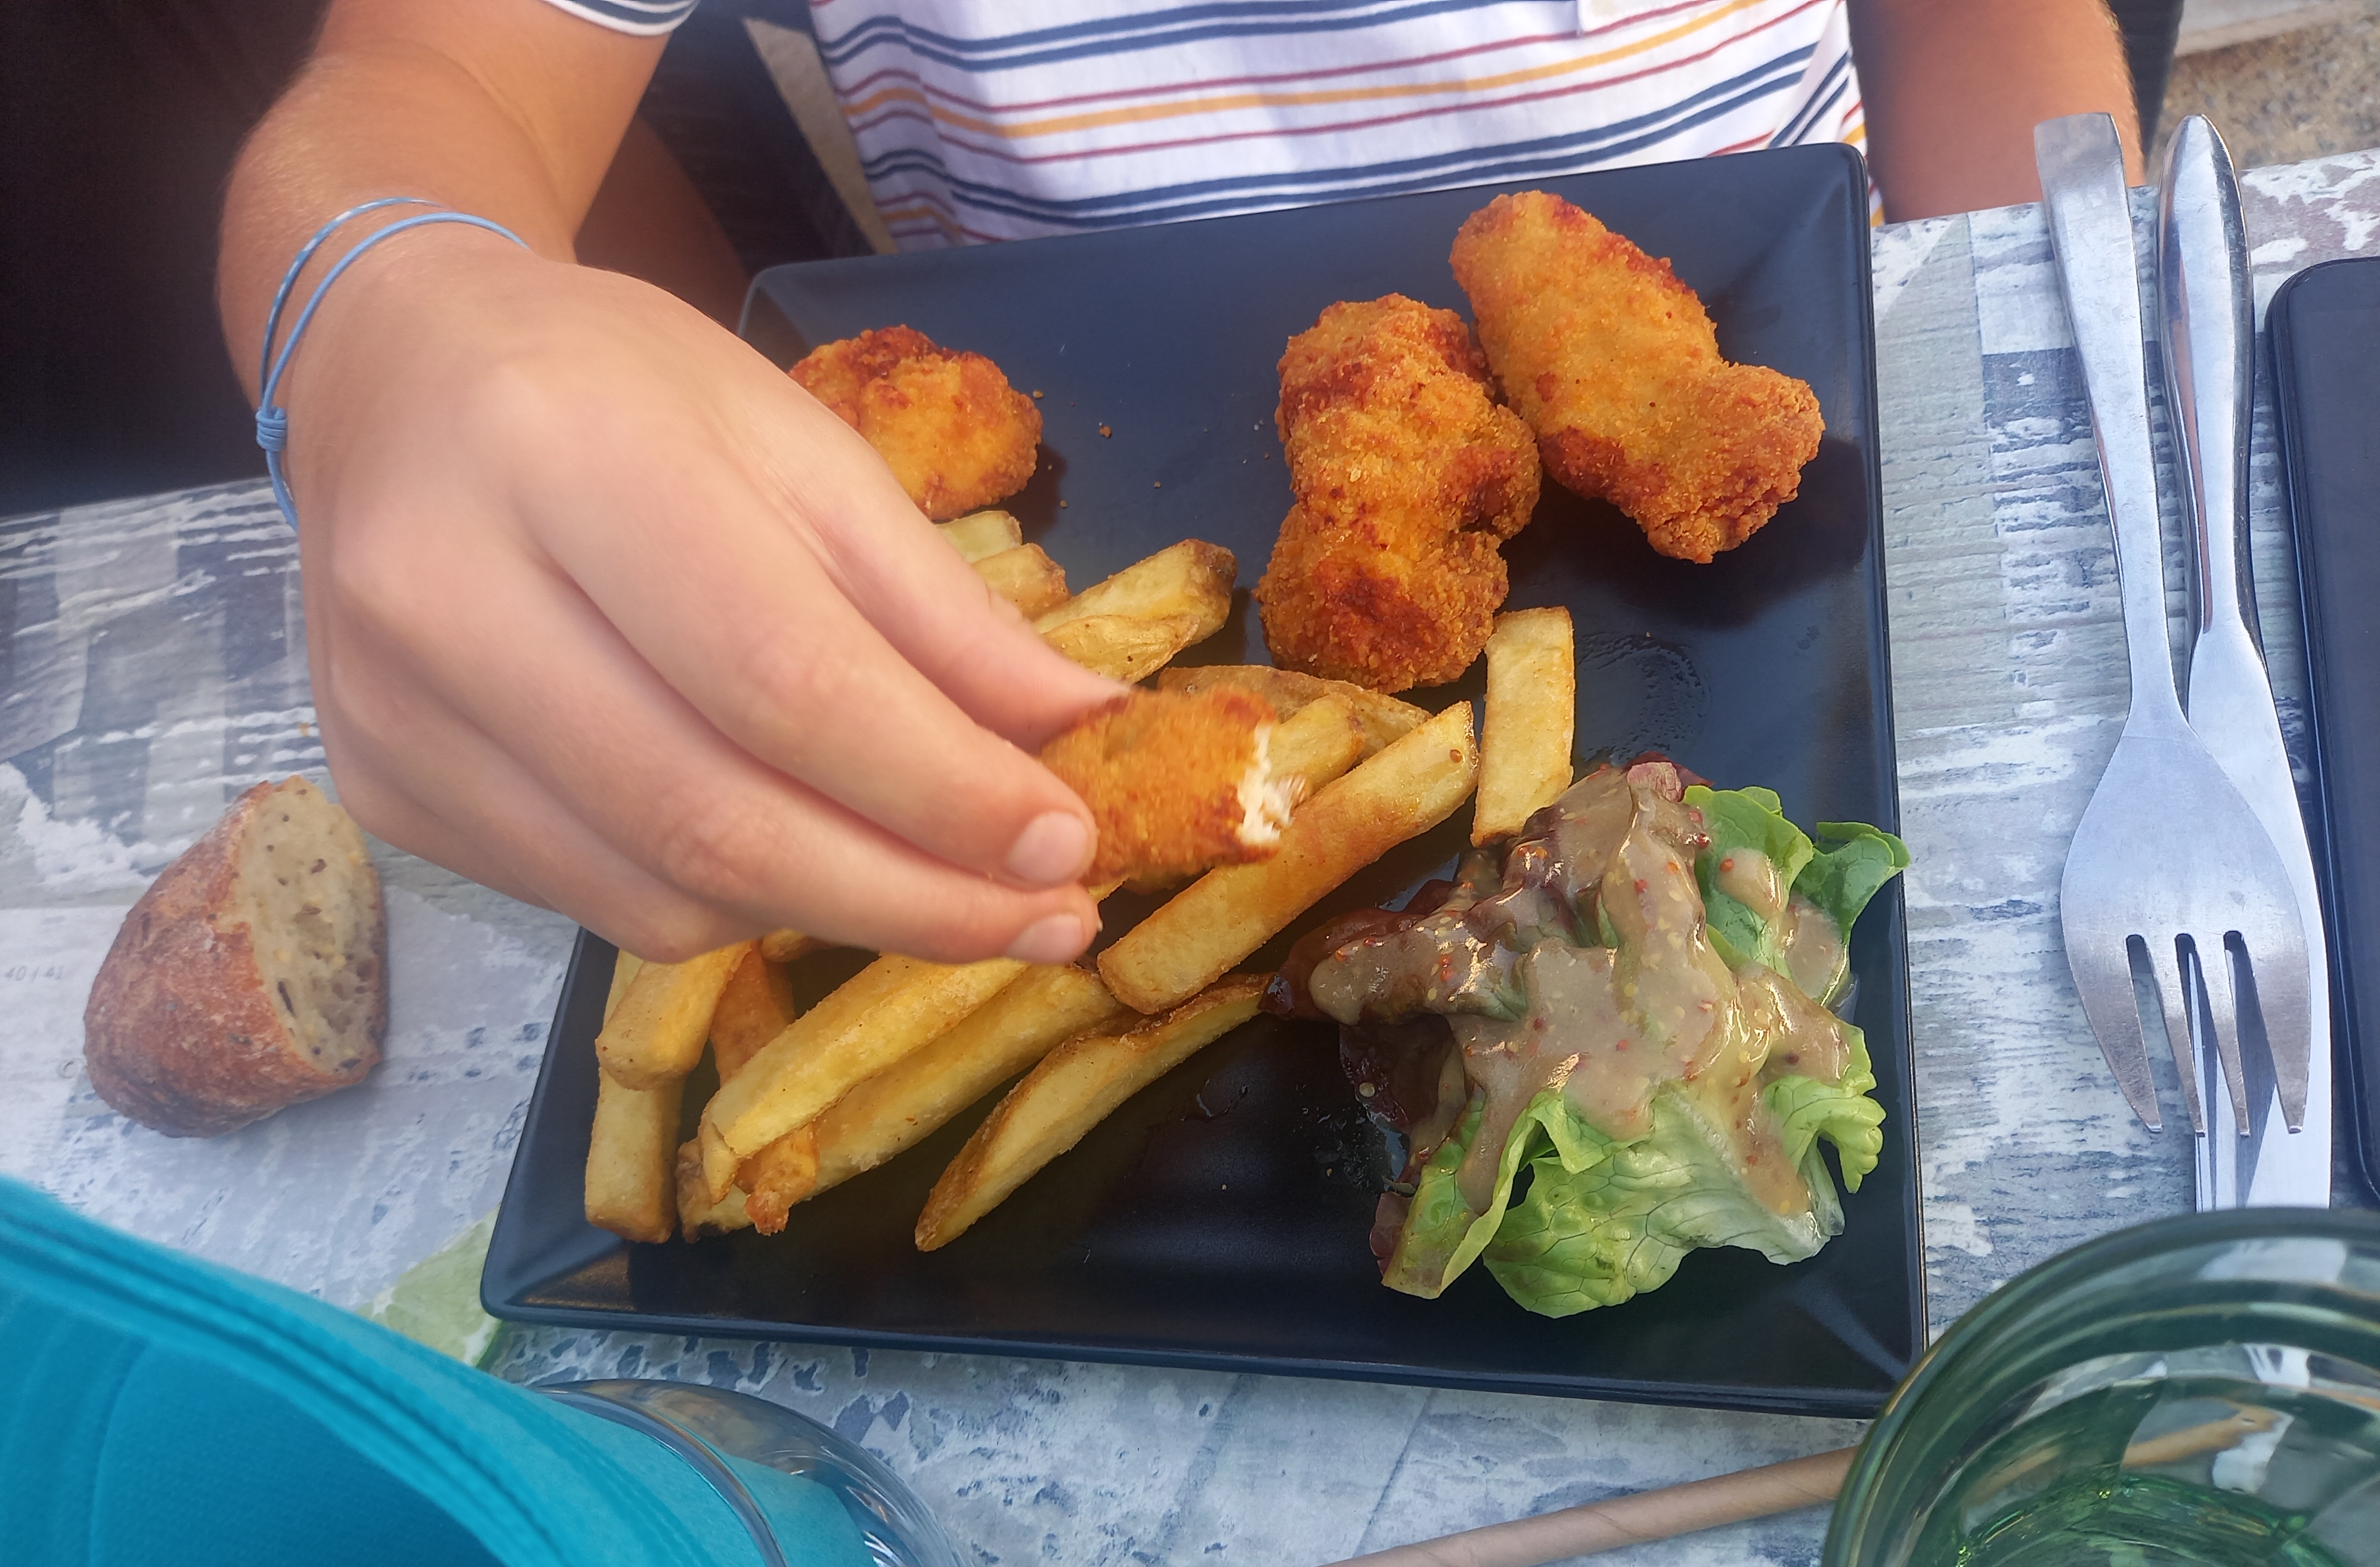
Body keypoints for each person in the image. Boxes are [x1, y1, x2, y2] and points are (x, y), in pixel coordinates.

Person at [216, 0, 2142, 967]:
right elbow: (427, 85)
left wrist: (2066, 387)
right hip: (1083, 442)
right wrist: (384, 312)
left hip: (1826, 367)